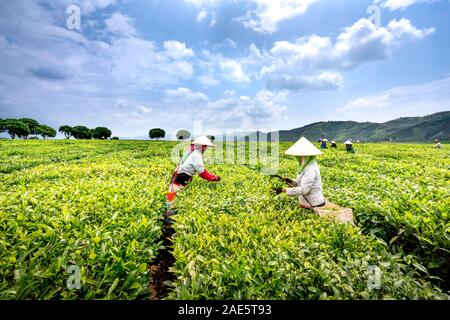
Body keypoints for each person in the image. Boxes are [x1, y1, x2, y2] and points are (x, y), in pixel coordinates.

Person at [166, 135, 220, 210]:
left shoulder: (191, 152)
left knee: (172, 195)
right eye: (206, 147)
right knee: (174, 198)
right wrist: (215, 178)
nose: (206, 149)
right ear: (203, 146)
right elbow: (202, 173)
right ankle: (168, 215)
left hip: (178, 175)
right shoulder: (196, 155)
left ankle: (168, 213)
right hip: (181, 177)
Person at [272, 137, 326, 209]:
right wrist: (291, 181)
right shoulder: (305, 166)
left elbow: (304, 189)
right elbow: (301, 183)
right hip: (306, 202)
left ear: (304, 156)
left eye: (298, 156)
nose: (297, 158)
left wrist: (283, 190)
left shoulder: (311, 169)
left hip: (314, 203)